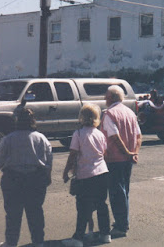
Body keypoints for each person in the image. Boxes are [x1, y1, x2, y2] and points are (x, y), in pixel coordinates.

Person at [0, 108, 53, 247]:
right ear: (33, 121)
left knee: (13, 213)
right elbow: (48, 160)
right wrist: (48, 177)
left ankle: (11, 242)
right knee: (35, 211)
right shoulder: (41, 138)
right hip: (36, 179)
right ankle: (38, 241)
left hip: (13, 179)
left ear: (17, 121)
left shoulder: (8, 139)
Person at [62, 103, 111, 247]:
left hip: (85, 174)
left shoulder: (78, 134)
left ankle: (78, 238)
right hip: (102, 172)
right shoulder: (100, 134)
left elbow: (72, 155)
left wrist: (66, 172)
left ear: (81, 117)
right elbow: (104, 153)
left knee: (83, 207)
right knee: (101, 204)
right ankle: (105, 234)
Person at [101, 85, 142, 238]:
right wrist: (134, 153)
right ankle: (124, 221)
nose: (105, 98)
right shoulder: (130, 112)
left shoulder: (109, 114)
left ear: (111, 97)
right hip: (128, 159)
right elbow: (139, 135)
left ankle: (121, 226)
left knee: (116, 192)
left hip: (115, 158)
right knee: (125, 190)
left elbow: (114, 137)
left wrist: (125, 151)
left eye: (106, 96)